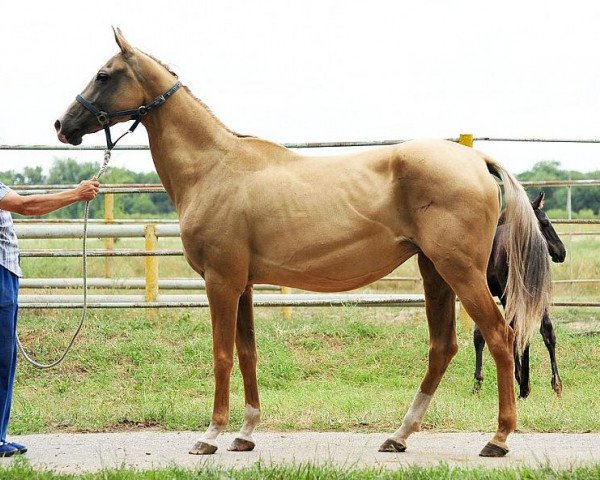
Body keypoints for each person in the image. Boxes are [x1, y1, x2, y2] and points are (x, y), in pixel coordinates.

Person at [0, 179, 100, 457]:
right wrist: (76, 194)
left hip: (6, 270)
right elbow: (26, 206)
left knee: (5, 358)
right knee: (1, 358)